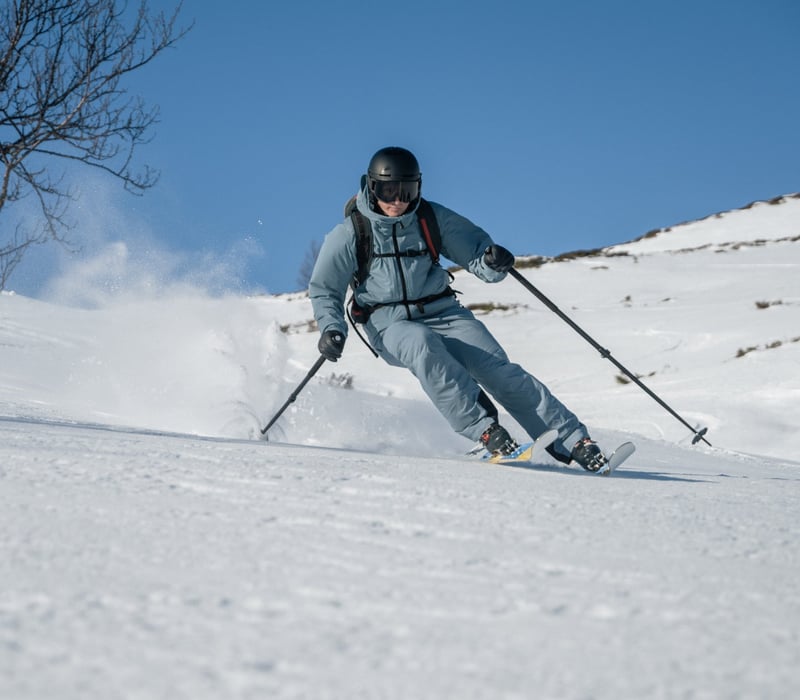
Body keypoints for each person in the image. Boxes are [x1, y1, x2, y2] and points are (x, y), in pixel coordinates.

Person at [308, 146, 607, 470]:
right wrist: (332, 328)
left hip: (443, 311)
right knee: (422, 346)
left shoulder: (430, 218)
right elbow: (324, 289)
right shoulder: (351, 233)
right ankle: (486, 432)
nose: (398, 201)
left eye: (407, 190)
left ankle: (575, 440)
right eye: (388, 190)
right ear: (371, 186)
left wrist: (494, 260)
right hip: (388, 322)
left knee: (498, 370)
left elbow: (478, 254)